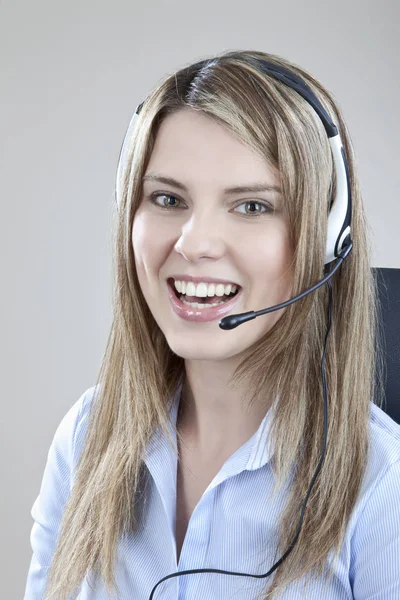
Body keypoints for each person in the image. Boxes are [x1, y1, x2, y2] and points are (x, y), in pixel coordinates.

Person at [24, 50, 400, 600]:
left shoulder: (383, 487)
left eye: (251, 207)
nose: (194, 244)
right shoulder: (86, 440)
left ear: (325, 240)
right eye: (168, 198)